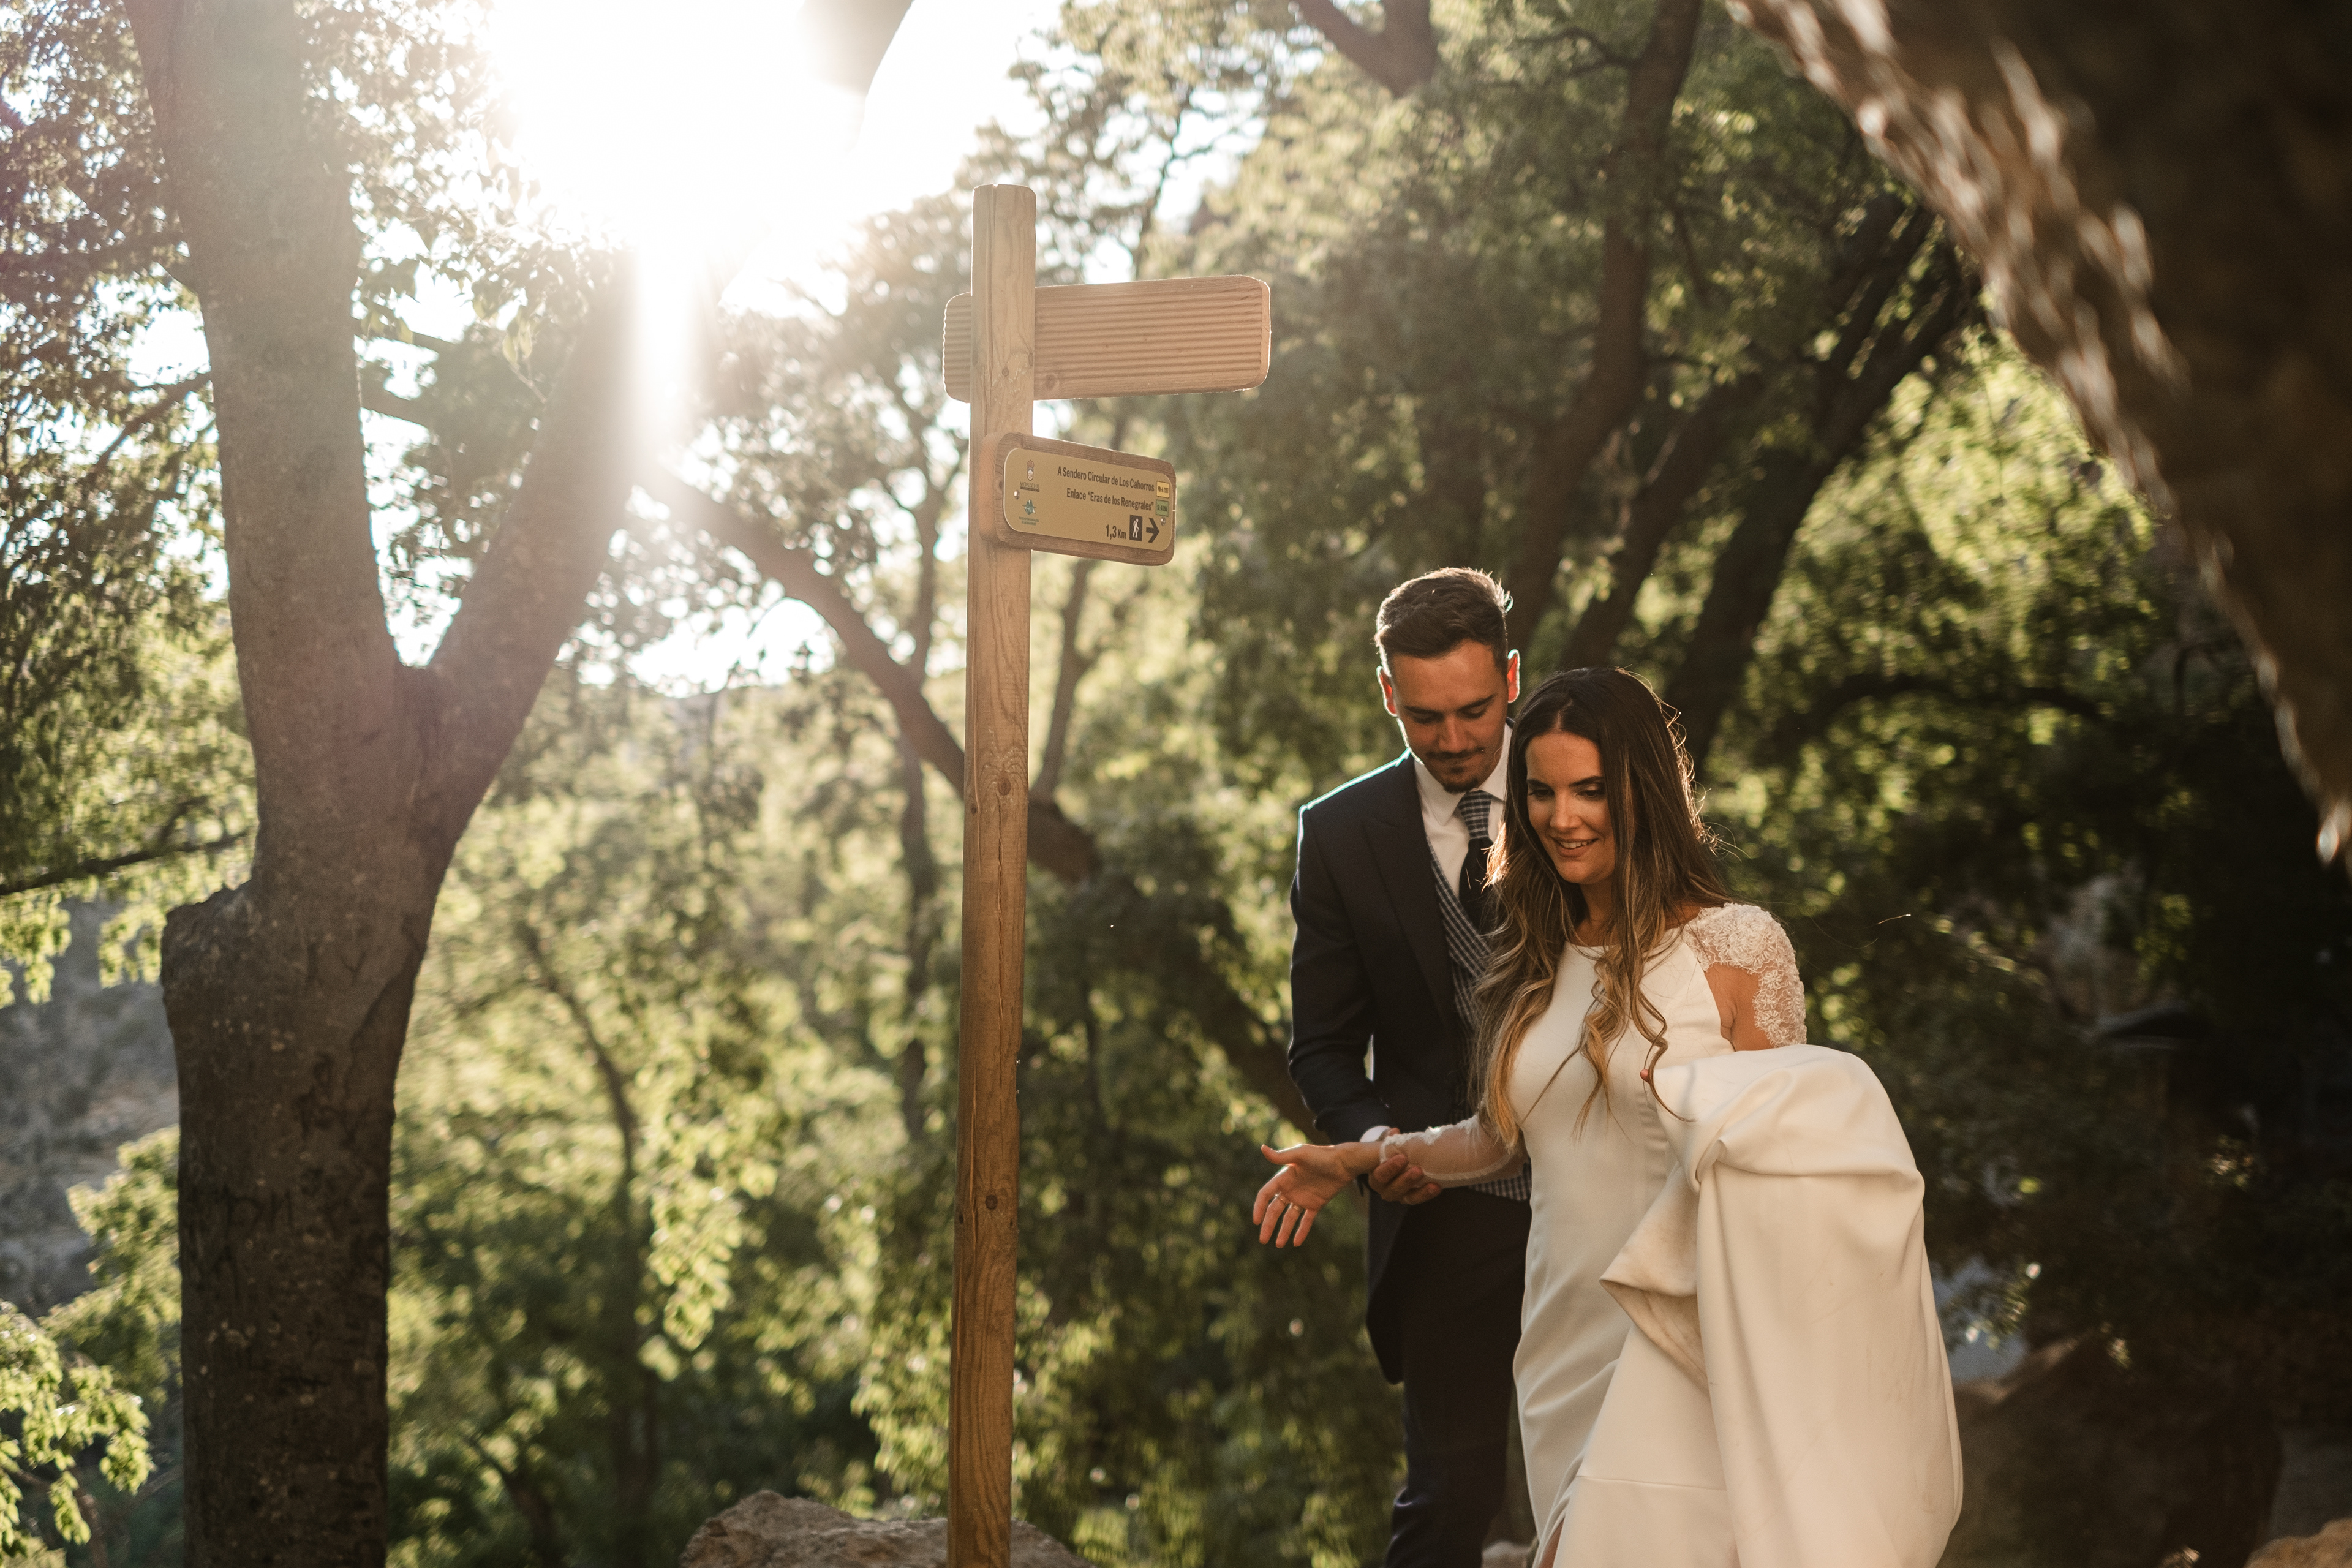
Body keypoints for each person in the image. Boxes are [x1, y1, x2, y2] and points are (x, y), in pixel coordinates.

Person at [1256, 668, 1962, 1568]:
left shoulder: (1739, 951)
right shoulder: (1528, 962)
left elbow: (1795, 1172)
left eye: (1591, 789)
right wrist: (1361, 1158)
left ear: (1644, 792)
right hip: (1560, 1338)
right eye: (1542, 792)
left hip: (1681, 1335)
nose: (1563, 816)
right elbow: (1507, 1139)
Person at [1284, 568, 1532, 1568]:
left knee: (1616, 1475)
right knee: (1449, 1499)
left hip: (1606, 1186)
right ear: (1388, 692)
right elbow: (1325, 1046)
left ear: (1511, 678)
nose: (1455, 739)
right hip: (1443, 1216)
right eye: (1425, 717)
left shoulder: (1586, 785)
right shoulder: (1339, 836)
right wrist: (1378, 1142)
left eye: (1475, 709)